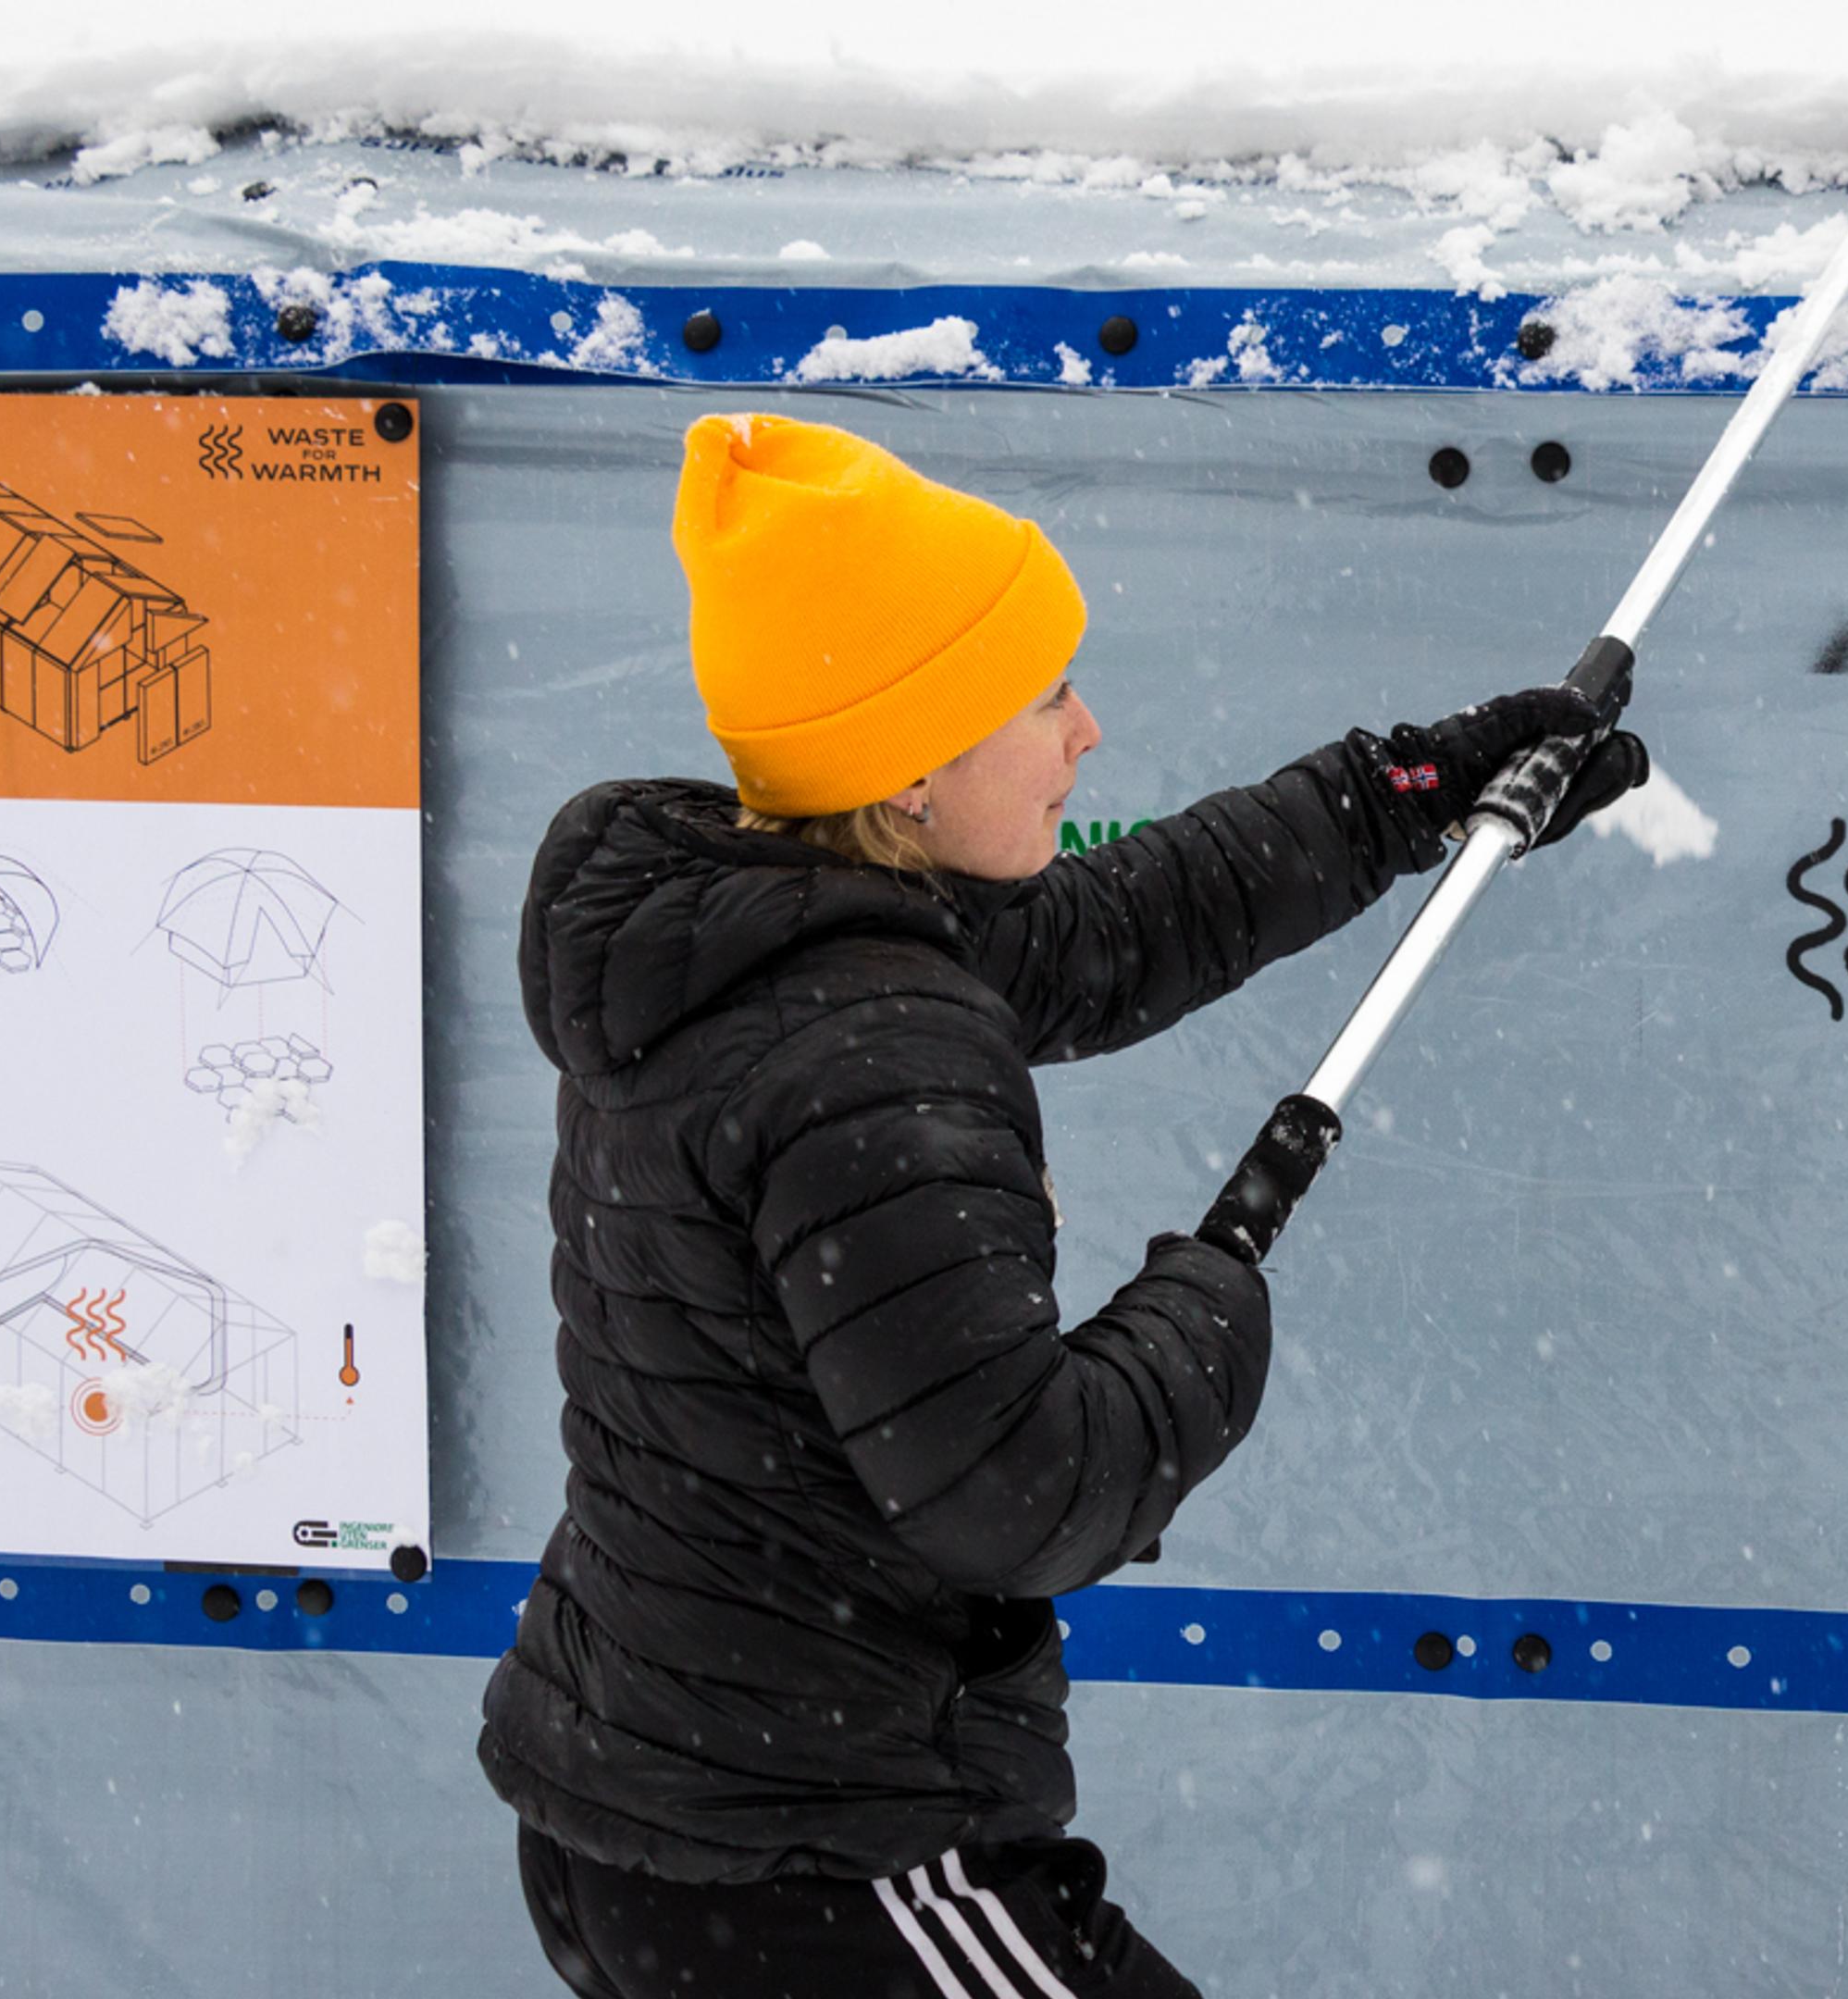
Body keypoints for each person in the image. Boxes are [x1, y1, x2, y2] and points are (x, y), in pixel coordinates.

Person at [480, 414, 1643, 1997]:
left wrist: (1406, 788)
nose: (1086, 730)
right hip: (827, 1864)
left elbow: (1112, 929)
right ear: (908, 771)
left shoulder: (738, 942)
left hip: (657, 1811)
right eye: (1039, 696)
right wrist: (1215, 1292)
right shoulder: (866, 1042)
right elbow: (1024, 1495)